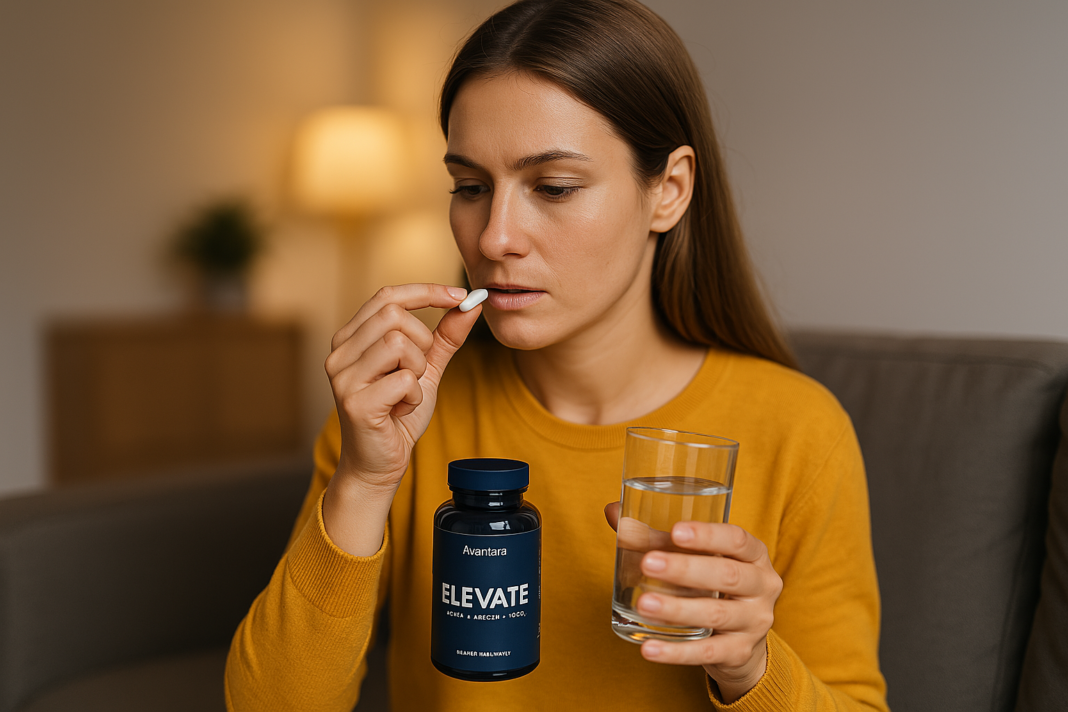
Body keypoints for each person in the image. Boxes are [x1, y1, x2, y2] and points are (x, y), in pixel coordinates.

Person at [225, 0, 888, 709]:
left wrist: (749, 665)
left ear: (669, 190)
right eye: (470, 187)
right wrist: (363, 481)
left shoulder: (799, 432)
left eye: (554, 187)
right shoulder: (402, 413)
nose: (493, 237)